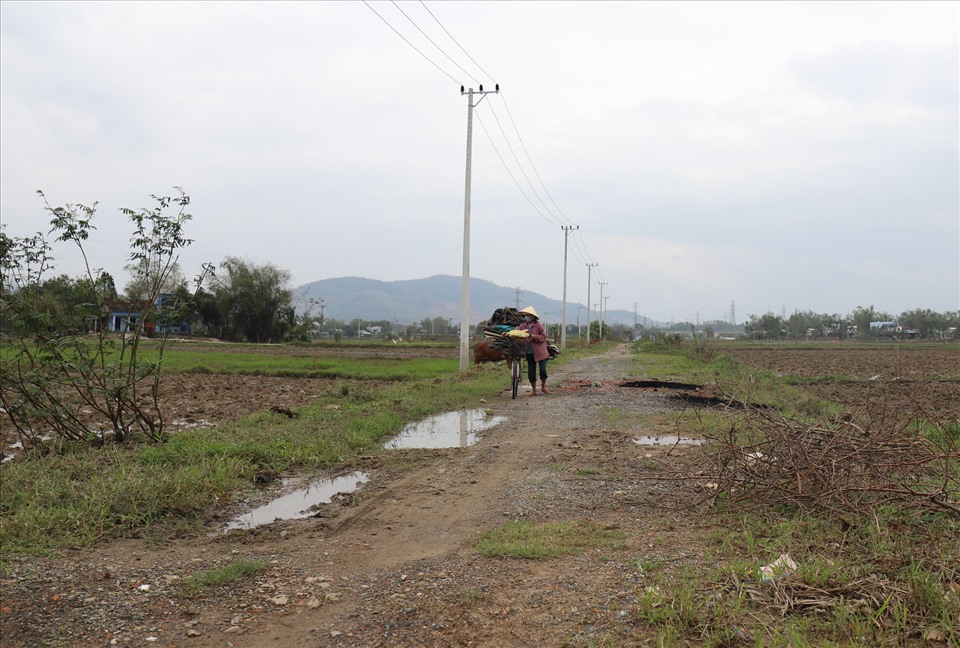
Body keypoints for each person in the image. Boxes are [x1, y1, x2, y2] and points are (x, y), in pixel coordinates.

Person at [517, 305, 550, 396]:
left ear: (533, 316)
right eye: (525, 315)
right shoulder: (522, 326)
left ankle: (543, 387)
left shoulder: (538, 325)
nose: (527, 316)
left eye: (529, 315)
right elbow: (518, 336)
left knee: (543, 371)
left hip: (541, 352)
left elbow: (543, 336)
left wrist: (534, 337)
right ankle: (534, 390)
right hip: (529, 352)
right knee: (531, 373)